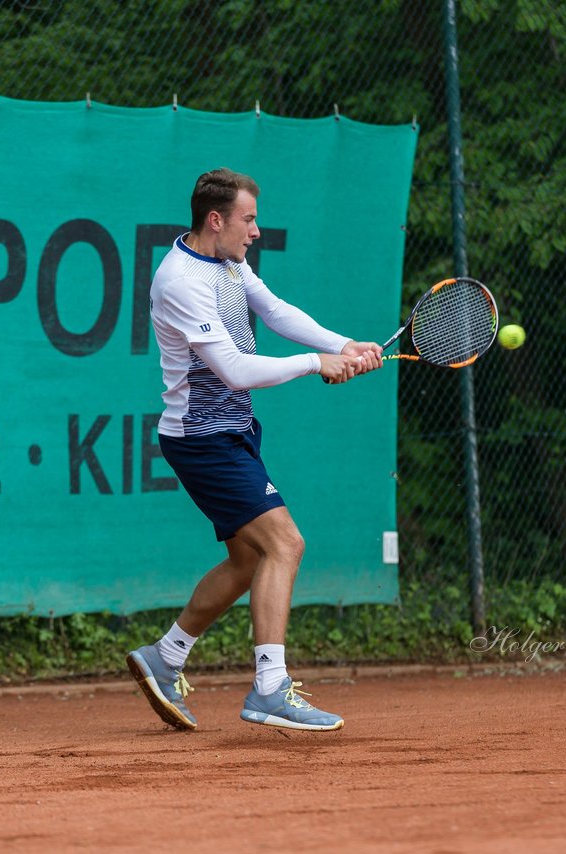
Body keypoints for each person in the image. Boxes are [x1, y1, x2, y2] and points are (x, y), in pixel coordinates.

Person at [127, 167, 382, 732]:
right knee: (286, 544)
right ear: (215, 220)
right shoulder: (180, 281)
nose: (257, 231)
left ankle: (164, 658)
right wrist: (317, 364)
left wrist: (340, 344)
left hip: (232, 431)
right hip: (202, 438)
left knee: (249, 561)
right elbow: (235, 370)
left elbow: (274, 309)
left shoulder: (227, 261)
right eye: (249, 219)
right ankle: (270, 688)